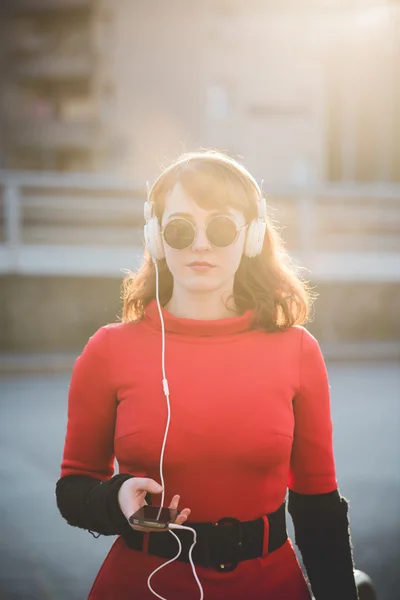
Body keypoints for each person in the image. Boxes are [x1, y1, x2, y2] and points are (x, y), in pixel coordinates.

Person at [55, 150, 360, 600]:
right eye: (180, 229)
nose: (200, 244)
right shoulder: (108, 350)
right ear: (157, 238)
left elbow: (319, 509)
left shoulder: (298, 350)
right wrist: (114, 499)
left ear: (251, 237)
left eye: (220, 227)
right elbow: (74, 486)